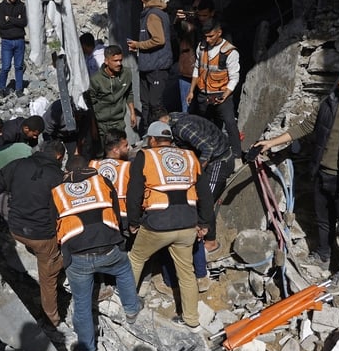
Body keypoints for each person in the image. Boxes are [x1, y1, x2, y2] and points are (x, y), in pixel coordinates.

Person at [254, 59, 339, 295]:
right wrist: (272, 142)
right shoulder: (329, 103)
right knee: (323, 221)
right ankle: (322, 255)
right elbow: (306, 126)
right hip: (323, 174)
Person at [51, 155, 140, 351]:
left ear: (67, 172)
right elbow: (117, 212)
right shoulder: (102, 181)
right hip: (108, 250)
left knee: (81, 303)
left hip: (77, 257)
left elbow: (52, 223)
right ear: (89, 168)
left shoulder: (57, 191)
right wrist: (119, 241)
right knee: (124, 270)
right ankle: (131, 311)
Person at [126, 121, 204, 332]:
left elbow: (134, 192)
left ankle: (128, 305)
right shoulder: (189, 156)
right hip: (187, 223)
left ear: (152, 140)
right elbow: (203, 191)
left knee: (136, 258)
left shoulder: (146, 155)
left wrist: (133, 222)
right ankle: (191, 319)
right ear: (170, 140)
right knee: (186, 272)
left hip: (157, 224)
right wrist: (204, 222)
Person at [0, 140, 66, 327]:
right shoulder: (59, 176)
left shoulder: (17, 164)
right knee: (49, 278)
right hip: (43, 236)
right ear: (59, 156)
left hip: (16, 229)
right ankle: (51, 319)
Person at [151, 109, 233, 294]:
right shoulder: (176, 121)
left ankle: (210, 242)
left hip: (218, 162)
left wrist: (195, 170)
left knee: (206, 202)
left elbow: (208, 149)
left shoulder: (182, 127)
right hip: (212, 159)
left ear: (163, 121)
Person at [187, 18, 243, 164]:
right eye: (205, 36)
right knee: (206, 125)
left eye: (211, 36)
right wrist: (191, 91)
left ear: (219, 33)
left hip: (221, 95)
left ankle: (237, 156)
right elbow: (197, 69)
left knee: (230, 123)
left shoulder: (229, 52)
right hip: (203, 95)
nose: (208, 39)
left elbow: (234, 77)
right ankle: (210, 152)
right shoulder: (201, 47)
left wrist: (225, 95)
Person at [127, 0, 172, 131]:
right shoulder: (152, 13)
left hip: (157, 66)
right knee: (146, 103)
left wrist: (138, 45)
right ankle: (147, 133)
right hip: (149, 65)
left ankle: (162, 133)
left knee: (155, 104)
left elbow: (159, 39)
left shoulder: (153, 15)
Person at [86, 45, 136, 143]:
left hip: (118, 123)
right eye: (115, 61)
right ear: (106, 61)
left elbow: (129, 93)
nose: (119, 63)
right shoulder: (96, 80)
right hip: (101, 124)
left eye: (120, 60)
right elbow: (90, 105)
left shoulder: (126, 73)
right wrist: (93, 127)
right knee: (101, 154)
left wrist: (132, 113)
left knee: (120, 151)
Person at [174, 0, 215, 112]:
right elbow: (179, 28)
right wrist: (178, 20)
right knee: (186, 106)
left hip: (207, 73)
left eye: (201, 10)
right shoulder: (188, 25)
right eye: (195, 9)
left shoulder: (214, 27)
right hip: (188, 71)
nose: (198, 13)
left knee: (206, 108)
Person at [88, 128, 131, 230]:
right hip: (123, 215)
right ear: (115, 150)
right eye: (125, 146)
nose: (128, 148)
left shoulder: (93, 165)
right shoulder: (128, 167)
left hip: (100, 217)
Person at [0, 0, 27, 98]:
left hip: (19, 40)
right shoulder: (1, 7)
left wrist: (10, 18)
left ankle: (19, 89)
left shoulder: (21, 6)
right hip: (7, 41)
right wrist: (16, 20)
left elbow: (24, 22)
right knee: (5, 66)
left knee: (19, 66)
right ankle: (1, 88)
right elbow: (3, 24)